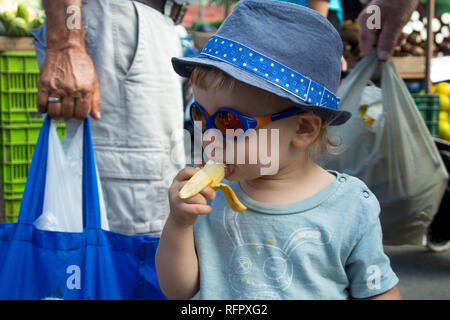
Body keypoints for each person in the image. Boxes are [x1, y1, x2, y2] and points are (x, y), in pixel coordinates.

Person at [155, 0, 401, 300]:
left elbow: (379, 292)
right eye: (199, 114)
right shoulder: (208, 201)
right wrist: (179, 224)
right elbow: (179, 291)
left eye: (229, 121)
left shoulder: (350, 208)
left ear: (303, 129)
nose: (207, 136)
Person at [32, 0, 191, 236]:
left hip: (148, 27)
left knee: (153, 216)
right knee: (124, 236)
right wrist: (67, 44)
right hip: (117, 29)